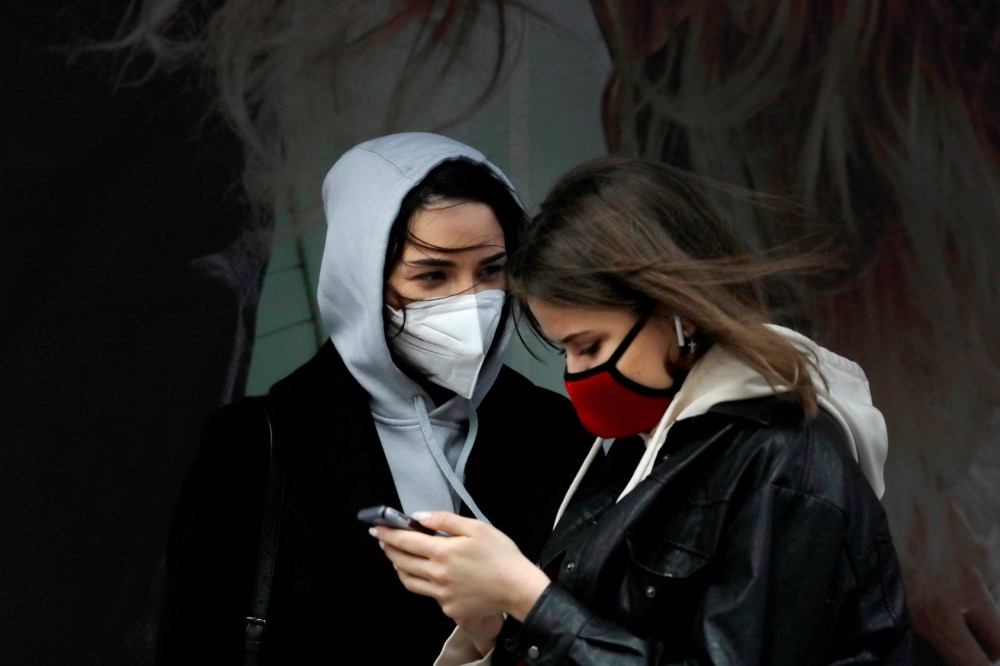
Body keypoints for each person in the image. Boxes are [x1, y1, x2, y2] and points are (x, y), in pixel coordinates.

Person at [373, 156, 914, 664]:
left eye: (590, 346)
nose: (576, 376)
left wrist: (528, 596)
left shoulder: (786, 464)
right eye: (564, 351)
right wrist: (494, 621)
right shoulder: (644, 441)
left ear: (678, 310)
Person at [154, 131, 592, 663]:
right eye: (432, 275)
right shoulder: (256, 446)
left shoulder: (559, 434)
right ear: (362, 282)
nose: (471, 303)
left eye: (491, 271)